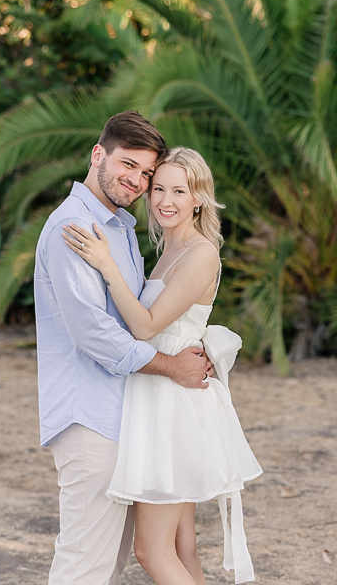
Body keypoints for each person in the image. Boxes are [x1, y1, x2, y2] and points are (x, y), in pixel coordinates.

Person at [62, 147, 263, 584]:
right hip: (157, 398)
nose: (165, 200)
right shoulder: (168, 248)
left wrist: (105, 265)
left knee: (151, 551)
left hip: (174, 405)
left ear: (199, 198)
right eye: (158, 189)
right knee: (180, 545)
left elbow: (146, 326)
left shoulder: (200, 252)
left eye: (179, 190)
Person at [34, 112, 211, 585]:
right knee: (83, 563)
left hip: (125, 416)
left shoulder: (119, 228)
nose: (136, 180)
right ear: (98, 155)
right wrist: (172, 366)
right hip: (89, 416)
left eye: (146, 174)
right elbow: (94, 332)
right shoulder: (74, 226)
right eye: (127, 165)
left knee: (107, 566)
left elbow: (145, 319)